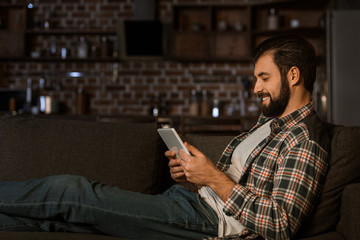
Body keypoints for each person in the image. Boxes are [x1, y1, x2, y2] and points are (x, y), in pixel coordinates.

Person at [0, 35, 330, 240]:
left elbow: (280, 224)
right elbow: (236, 187)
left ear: (293, 75)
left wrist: (211, 177)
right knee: (60, 222)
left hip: (205, 222)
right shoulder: (268, 124)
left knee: (72, 193)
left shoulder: (305, 140)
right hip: (192, 204)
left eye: (263, 77)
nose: (255, 88)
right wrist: (195, 175)